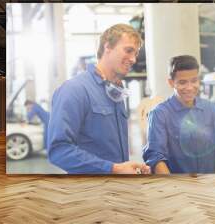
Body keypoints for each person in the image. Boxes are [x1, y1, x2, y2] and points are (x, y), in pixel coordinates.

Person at [48, 24, 150, 174]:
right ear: (107, 47)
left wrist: (126, 168)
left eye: (135, 53)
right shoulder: (74, 90)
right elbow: (58, 151)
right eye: (128, 51)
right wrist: (112, 169)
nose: (134, 59)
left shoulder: (116, 93)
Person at [143, 55, 215, 174]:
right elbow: (155, 157)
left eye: (194, 81)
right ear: (171, 82)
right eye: (182, 82)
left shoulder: (213, 109)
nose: (189, 88)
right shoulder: (159, 114)